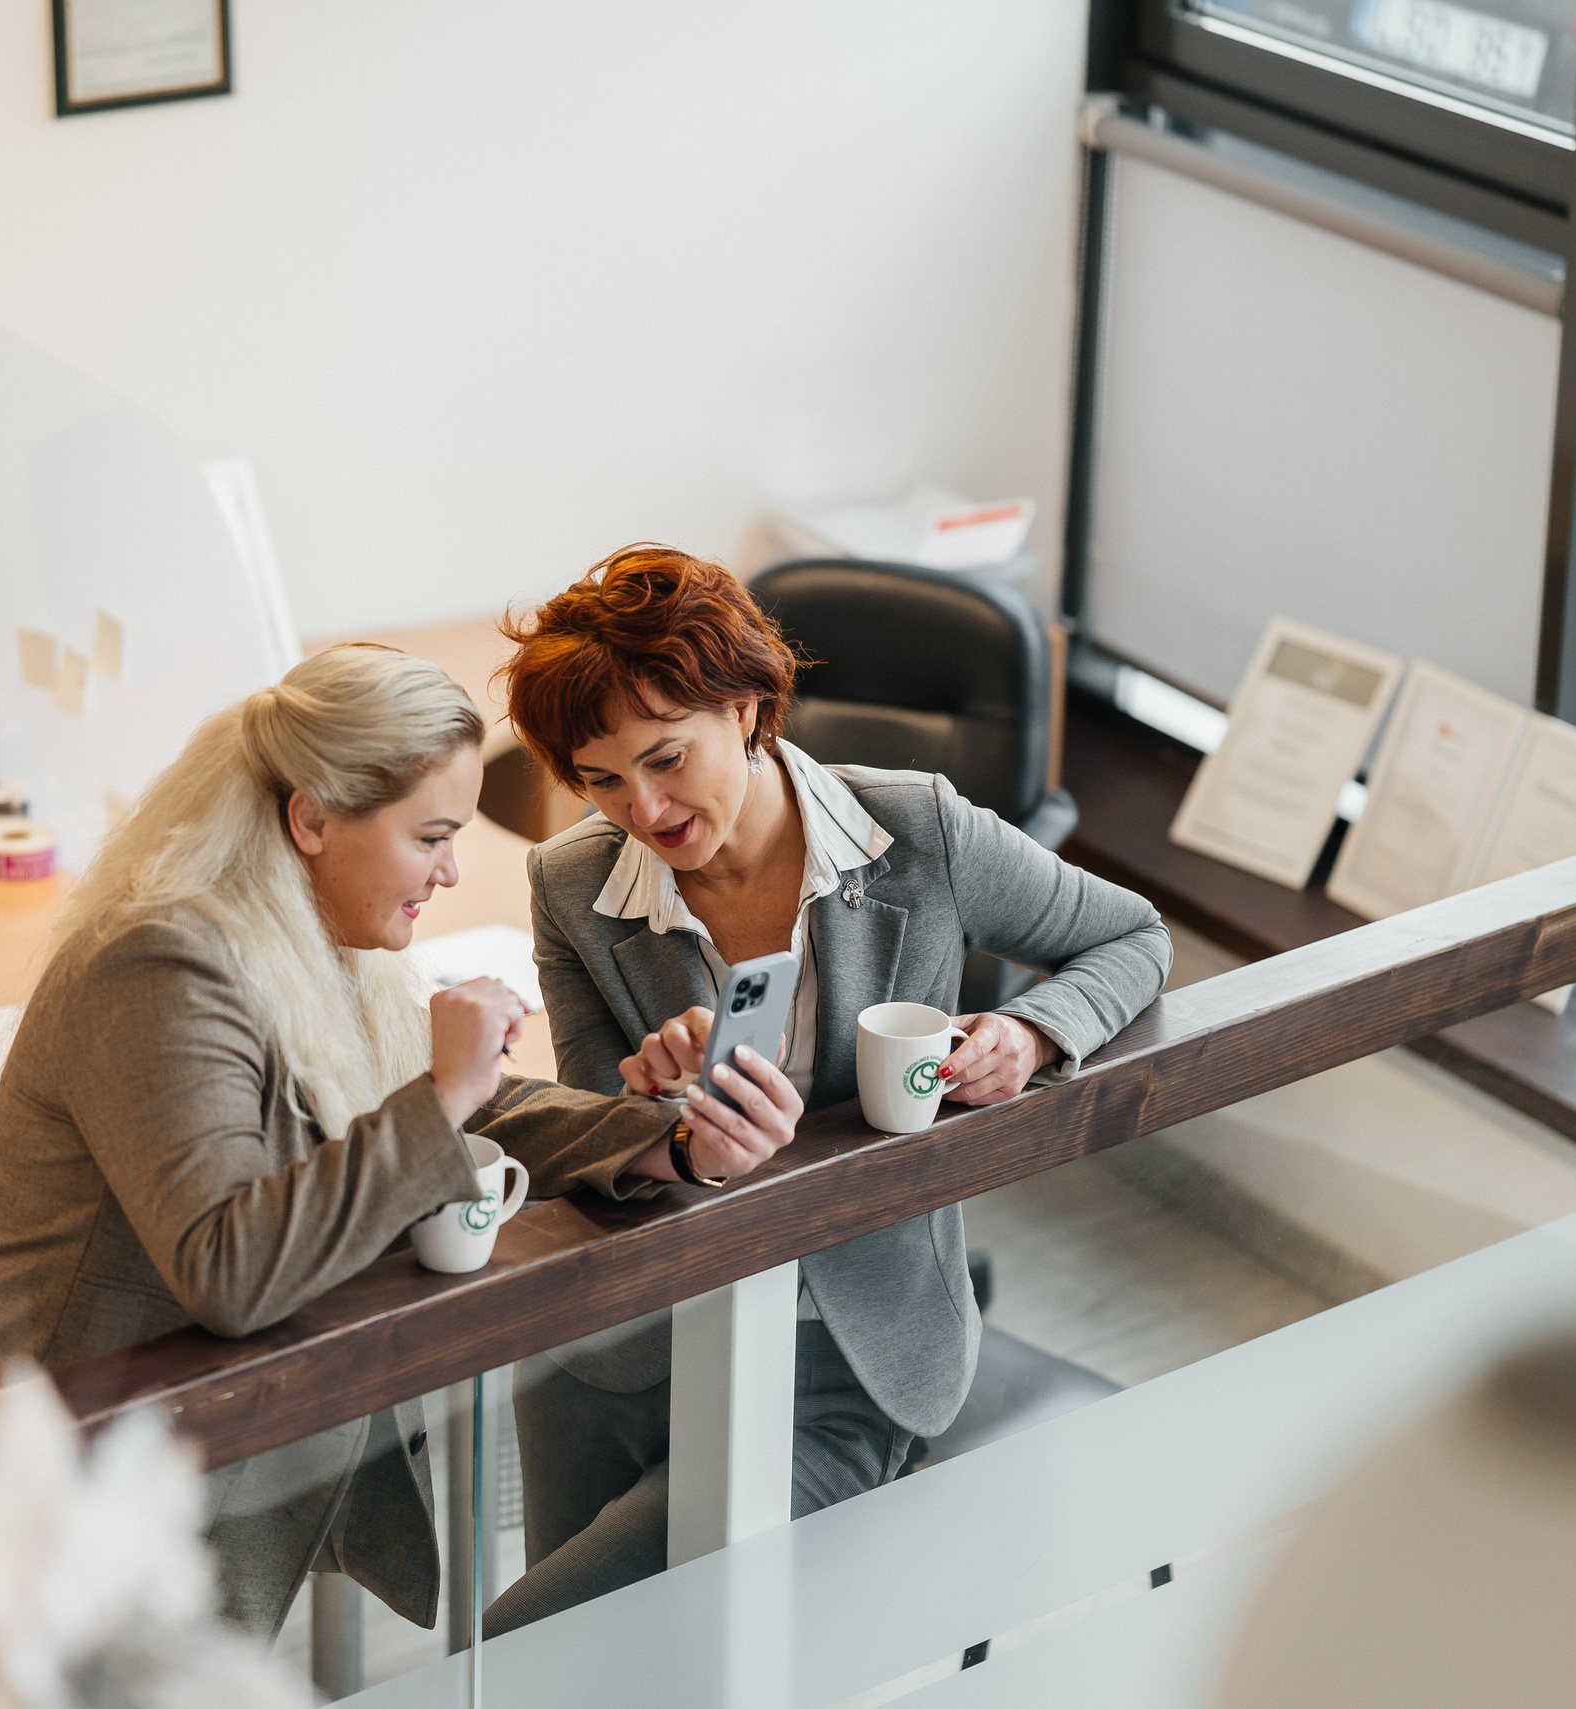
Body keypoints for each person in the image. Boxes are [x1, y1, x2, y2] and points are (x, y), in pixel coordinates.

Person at [0, 643, 801, 1639]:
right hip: (21, 1520)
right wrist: (443, 1091)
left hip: (138, 1499)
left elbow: (470, 1110)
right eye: (432, 835)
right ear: (311, 816)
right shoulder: (160, 965)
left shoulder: (311, 939)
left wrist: (673, 1141)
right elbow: (229, 1268)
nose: (449, 870)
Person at [485, 544, 1171, 1632]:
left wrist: (1033, 1030)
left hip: (842, 1354)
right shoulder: (572, 882)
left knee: (543, 1636)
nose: (642, 806)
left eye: (667, 757)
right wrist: (651, 1102)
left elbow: (1130, 936)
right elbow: (586, 1133)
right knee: (576, 1659)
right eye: (600, 778)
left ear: (749, 707)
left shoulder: (917, 829)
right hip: (622, 1346)